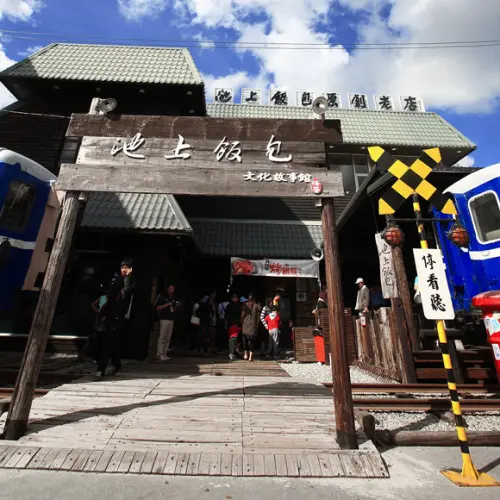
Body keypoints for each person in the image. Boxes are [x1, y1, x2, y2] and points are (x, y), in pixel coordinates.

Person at [96, 258, 136, 378]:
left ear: (130, 269)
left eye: (126, 268)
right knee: (109, 341)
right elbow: (109, 296)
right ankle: (110, 365)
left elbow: (127, 292)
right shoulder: (116, 280)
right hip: (110, 314)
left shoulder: (131, 282)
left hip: (119, 316)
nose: (123, 270)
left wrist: (126, 278)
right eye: (122, 267)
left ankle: (104, 367)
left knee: (111, 341)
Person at [155, 284, 179, 361]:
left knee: (168, 337)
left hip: (171, 319)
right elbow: (158, 308)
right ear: (167, 289)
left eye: (173, 289)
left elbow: (173, 309)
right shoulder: (162, 297)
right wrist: (166, 305)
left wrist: (176, 306)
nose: (171, 290)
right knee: (162, 336)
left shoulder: (173, 298)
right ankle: (159, 354)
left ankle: (164, 353)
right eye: (170, 288)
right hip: (164, 319)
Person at [240, 294, 261, 361]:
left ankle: (246, 354)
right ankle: (250, 357)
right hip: (253, 326)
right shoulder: (257, 306)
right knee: (252, 341)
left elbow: (242, 315)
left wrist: (241, 322)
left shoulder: (245, 305)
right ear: (254, 299)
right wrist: (257, 324)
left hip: (245, 325)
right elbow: (259, 317)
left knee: (245, 340)